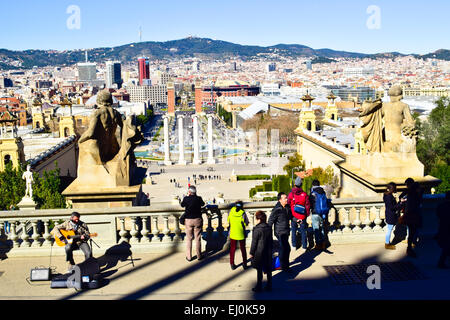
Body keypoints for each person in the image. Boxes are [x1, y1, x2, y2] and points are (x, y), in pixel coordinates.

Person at [250, 211, 273, 292]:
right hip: (268, 251)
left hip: (259, 252)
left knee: (259, 270)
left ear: (258, 219)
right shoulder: (269, 227)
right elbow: (270, 240)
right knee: (268, 269)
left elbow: (254, 242)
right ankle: (269, 285)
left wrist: (251, 253)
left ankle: (259, 286)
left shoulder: (257, 229)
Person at [268, 192, 292, 272]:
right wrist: (267, 232)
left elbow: (291, 217)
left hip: (286, 231)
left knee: (286, 249)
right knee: (285, 248)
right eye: (285, 198)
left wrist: (297, 220)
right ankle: (284, 266)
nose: (286, 199)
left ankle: (284, 265)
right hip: (280, 232)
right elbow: (270, 221)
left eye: (286, 197)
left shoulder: (287, 207)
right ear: (280, 200)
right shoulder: (277, 209)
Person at [181, 186, 205, 262]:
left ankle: (189, 257)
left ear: (189, 192)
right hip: (197, 219)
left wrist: (186, 196)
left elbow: (182, 205)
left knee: (189, 239)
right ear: (195, 192)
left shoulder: (186, 199)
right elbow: (203, 204)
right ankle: (199, 255)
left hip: (188, 220)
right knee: (197, 238)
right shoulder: (199, 198)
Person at [399, 179, 423, 257]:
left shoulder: (410, 193)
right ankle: (410, 248)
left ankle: (409, 248)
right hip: (413, 215)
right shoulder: (415, 196)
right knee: (412, 232)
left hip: (409, 215)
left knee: (411, 233)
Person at [287, 177, 310, 250]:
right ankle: (304, 246)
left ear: (294, 184)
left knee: (293, 230)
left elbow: (288, 203)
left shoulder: (291, 194)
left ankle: (294, 245)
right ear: (301, 185)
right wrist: (306, 214)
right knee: (303, 231)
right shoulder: (304, 194)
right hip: (302, 215)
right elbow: (307, 205)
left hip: (294, 215)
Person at [227, 201, 249, 270]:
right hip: (241, 233)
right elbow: (246, 222)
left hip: (232, 232)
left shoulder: (231, 211)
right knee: (243, 249)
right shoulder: (242, 213)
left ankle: (232, 264)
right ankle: (244, 264)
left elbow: (228, 220)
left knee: (232, 249)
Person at [309, 179, 330, 250]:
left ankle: (318, 245)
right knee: (322, 229)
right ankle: (323, 243)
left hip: (315, 213)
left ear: (313, 185)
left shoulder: (312, 193)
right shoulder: (323, 192)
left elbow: (310, 203)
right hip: (322, 213)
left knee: (316, 229)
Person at [383, 182, 399, 250]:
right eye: (394, 188)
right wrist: (400, 203)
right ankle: (387, 244)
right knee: (389, 229)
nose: (395, 189)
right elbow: (392, 207)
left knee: (389, 229)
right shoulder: (389, 196)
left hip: (389, 214)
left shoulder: (386, 195)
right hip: (391, 215)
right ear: (391, 189)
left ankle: (387, 243)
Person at [436, 191, 450, 269]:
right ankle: (441, 262)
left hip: (443, 227)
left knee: (446, 245)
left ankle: (442, 262)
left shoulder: (441, 206)